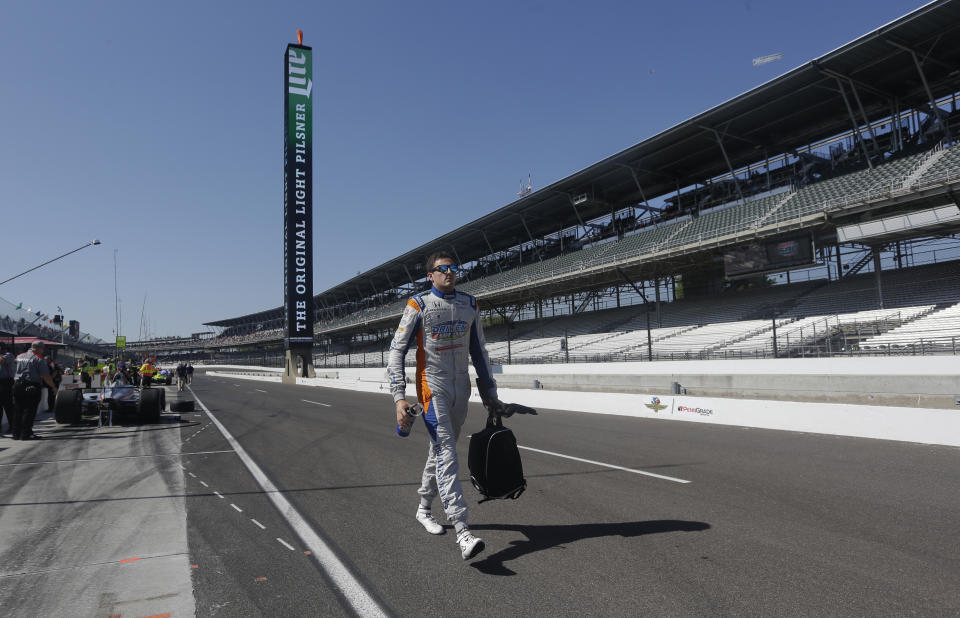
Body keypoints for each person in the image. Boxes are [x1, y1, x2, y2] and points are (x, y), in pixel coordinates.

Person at [386, 251, 501, 561]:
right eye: (442, 269)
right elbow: (395, 352)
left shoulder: (470, 303)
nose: (449, 272)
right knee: (447, 451)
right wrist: (399, 396)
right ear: (430, 276)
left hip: (461, 389)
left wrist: (490, 392)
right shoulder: (418, 305)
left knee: (438, 451)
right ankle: (463, 531)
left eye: (453, 268)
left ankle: (424, 508)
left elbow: (479, 351)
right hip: (431, 388)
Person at [12, 341, 56, 440]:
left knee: (18, 410)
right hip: (31, 386)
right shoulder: (39, 359)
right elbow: (46, 376)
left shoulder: (19, 356)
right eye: (42, 349)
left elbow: (12, 369)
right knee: (29, 411)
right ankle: (26, 434)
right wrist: (53, 387)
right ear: (37, 348)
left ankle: (16, 434)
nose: (43, 351)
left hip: (17, 385)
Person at [0, 344, 16, 436]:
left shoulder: (9, 355)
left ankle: (13, 426)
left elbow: (2, 361)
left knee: (8, 406)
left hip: (6, 382)